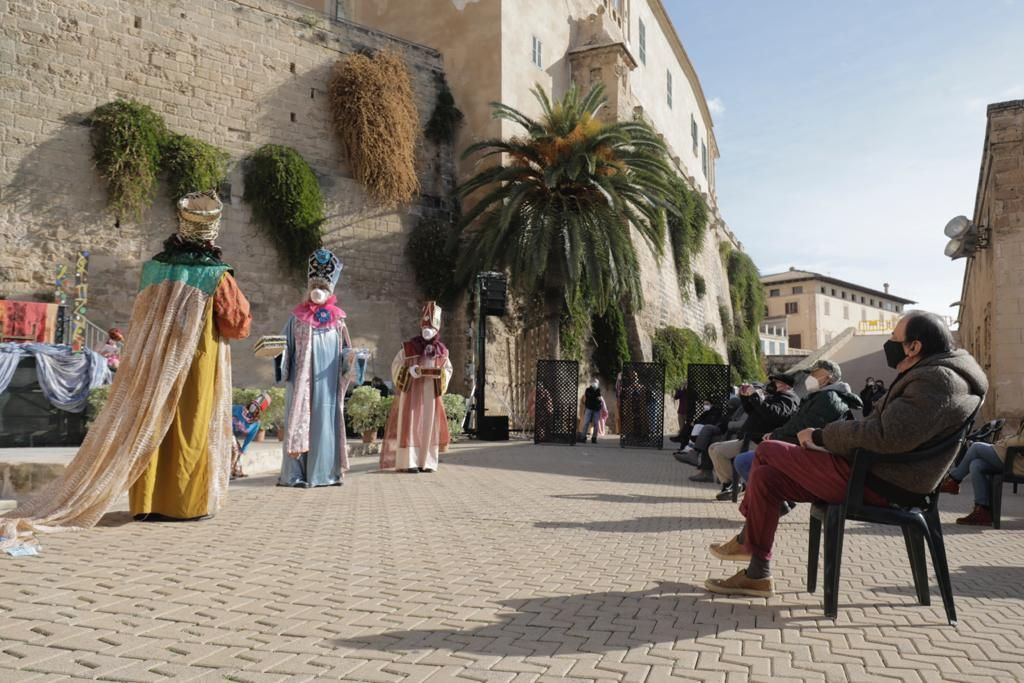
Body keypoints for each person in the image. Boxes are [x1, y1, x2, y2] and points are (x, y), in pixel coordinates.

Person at [2, 192, 251, 546]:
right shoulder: (217, 276)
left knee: (147, 422)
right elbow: (237, 325)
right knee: (189, 427)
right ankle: (185, 504)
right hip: (195, 365)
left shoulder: (155, 268)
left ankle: (147, 502)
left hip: (153, 365)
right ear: (213, 233)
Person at [704, 312, 986, 598]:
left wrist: (820, 436)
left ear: (914, 347)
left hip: (882, 481)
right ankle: (757, 574)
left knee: (767, 450)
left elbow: (885, 436)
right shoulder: (936, 374)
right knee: (766, 477)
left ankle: (746, 540)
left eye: (893, 338)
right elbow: (885, 430)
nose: (888, 343)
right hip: (876, 471)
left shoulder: (937, 381)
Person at [731, 360, 863, 497]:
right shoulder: (821, 396)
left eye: (814, 373)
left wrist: (774, 436)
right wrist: (747, 398)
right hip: (805, 450)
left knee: (746, 461)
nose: (810, 377)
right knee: (752, 463)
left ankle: (773, 502)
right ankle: (771, 502)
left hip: (812, 456)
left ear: (828, 377)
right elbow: (795, 424)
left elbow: (801, 426)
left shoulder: (829, 398)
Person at [277, 248, 352, 488]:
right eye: (314, 287)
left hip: (328, 385)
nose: (317, 291)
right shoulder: (296, 318)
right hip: (301, 384)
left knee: (325, 423)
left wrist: (355, 359)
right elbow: (284, 346)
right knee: (300, 420)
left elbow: (345, 351)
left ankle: (326, 473)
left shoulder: (338, 322)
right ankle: (296, 474)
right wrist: (276, 353)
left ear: (330, 291)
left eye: (323, 287)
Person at [380, 301, 453, 472]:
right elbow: (396, 364)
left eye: (431, 327)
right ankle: (409, 462)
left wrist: (440, 374)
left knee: (428, 424)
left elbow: (448, 369)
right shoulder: (408, 348)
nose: (427, 331)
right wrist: (409, 370)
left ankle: (426, 461)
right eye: (424, 327)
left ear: (437, 330)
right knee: (410, 424)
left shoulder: (442, 352)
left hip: (430, 393)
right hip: (411, 391)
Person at [703, 374, 799, 486]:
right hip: (750, 438)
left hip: (760, 441)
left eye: (776, 382)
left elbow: (773, 414)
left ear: (786, 386)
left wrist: (756, 396)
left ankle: (735, 485)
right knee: (713, 448)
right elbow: (752, 411)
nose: (772, 384)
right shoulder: (775, 397)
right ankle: (731, 484)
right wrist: (745, 396)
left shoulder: (789, 399)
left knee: (726, 454)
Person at [940, 420, 1024, 525]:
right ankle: (982, 511)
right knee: (976, 465)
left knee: (976, 447)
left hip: (1016, 463)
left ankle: (953, 480)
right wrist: (1008, 439)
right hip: (1011, 458)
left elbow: (1022, 441)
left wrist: (1007, 440)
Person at [231, 392, 271, 479]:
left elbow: (250, 438)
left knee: (239, 451)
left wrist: (243, 449)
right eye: (253, 404)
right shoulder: (238, 409)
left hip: (233, 436)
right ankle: (229, 471)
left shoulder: (255, 423)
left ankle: (236, 471)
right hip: (226, 431)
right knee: (235, 448)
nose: (253, 407)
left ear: (259, 410)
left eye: (256, 406)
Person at [580, 378, 603, 444]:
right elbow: (589, 397)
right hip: (589, 408)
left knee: (596, 424)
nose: (595, 383)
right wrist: (595, 397)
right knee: (586, 423)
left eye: (596, 382)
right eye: (594, 382)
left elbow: (599, 400)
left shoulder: (599, 390)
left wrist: (595, 397)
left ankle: (594, 438)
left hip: (596, 409)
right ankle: (583, 437)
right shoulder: (588, 390)